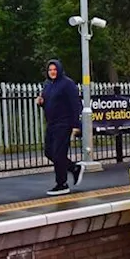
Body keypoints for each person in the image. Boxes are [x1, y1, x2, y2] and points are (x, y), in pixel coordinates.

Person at [36, 59, 84, 196]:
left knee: (59, 153)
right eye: (50, 70)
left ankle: (62, 184)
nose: (52, 72)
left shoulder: (67, 84)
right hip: (51, 123)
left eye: (54, 69)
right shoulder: (47, 85)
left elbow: (76, 105)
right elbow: (47, 102)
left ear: (59, 70)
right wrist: (40, 102)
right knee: (49, 152)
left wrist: (76, 125)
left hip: (64, 123)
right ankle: (74, 168)